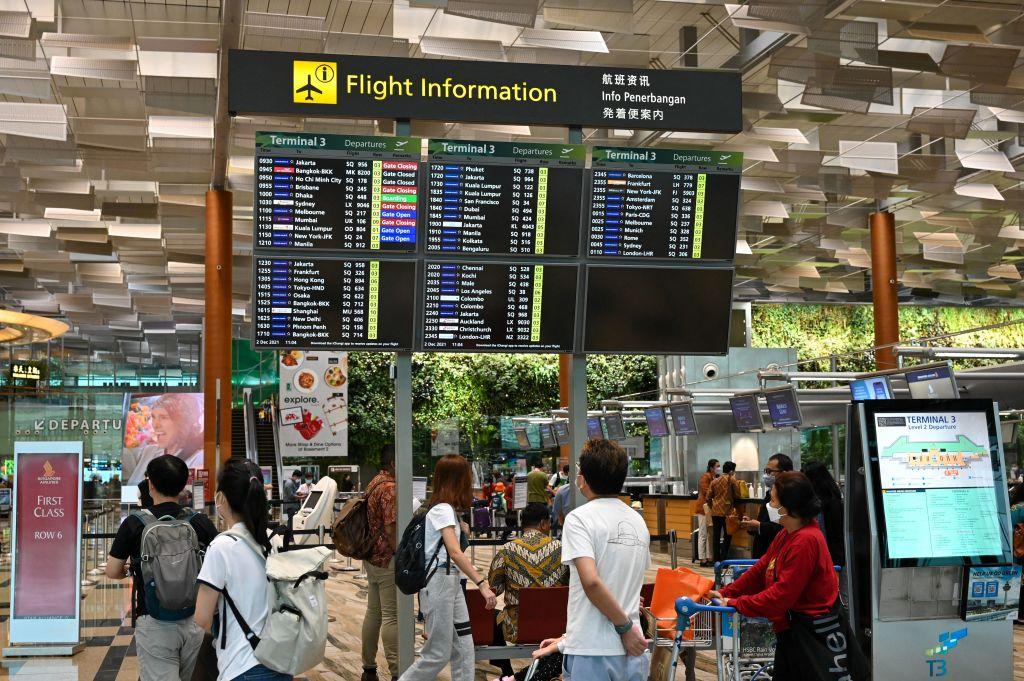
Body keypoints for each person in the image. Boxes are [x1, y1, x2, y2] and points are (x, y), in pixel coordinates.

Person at [711, 472, 844, 680]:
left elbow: (781, 596)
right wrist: (725, 591)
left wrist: (735, 602)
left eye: (773, 500)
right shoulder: (787, 533)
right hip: (791, 631)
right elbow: (761, 568)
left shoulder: (805, 541)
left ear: (788, 507)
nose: (768, 505)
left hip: (810, 635)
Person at [106, 455, 217, 681]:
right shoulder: (199, 522)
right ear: (183, 485)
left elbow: (112, 570)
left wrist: (129, 569)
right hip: (194, 619)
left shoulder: (134, 524)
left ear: (150, 484)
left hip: (153, 619)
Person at [399, 454, 497, 681]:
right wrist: (481, 584)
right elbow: (454, 552)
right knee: (437, 654)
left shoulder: (447, 510)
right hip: (440, 581)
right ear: (458, 480)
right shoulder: (442, 509)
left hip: (449, 581)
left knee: (463, 647)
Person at [559, 439, 651, 681]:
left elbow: (591, 582)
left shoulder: (579, 519)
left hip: (593, 649)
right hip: (634, 650)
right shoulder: (637, 520)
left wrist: (624, 629)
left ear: (583, 479)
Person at [194, 458, 287, 681]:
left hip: (241, 666)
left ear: (221, 498)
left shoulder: (221, 547)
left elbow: (202, 618)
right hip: (280, 662)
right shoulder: (271, 542)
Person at [488, 502, 569, 680]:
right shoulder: (563, 550)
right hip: (558, 627)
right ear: (543, 524)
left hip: (517, 628)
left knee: (492, 616)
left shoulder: (507, 551)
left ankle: (506, 671)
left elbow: (494, 588)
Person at [362, 445, 398, 681]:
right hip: (387, 558)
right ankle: (398, 672)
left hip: (371, 556)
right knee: (392, 616)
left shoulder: (373, 483)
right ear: (395, 462)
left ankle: (369, 668)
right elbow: (391, 526)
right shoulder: (390, 489)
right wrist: (400, 552)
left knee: (373, 612)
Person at [122, 394, 205, 485]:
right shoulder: (149, 451)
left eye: (163, 417)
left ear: (182, 423)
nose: (155, 425)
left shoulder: (199, 459)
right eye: (153, 417)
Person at [741, 453, 794, 559]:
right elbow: (767, 522)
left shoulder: (790, 497)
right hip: (762, 553)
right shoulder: (769, 494)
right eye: (765, 471)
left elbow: (782, 528)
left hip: (776, 555)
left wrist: (759, 526)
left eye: (770, 472)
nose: (766, 475)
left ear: (784, 473)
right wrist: (753, 525)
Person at [802, 462, 845, 569]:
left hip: (831, 560)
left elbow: (836, 536)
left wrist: (836, 565)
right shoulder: (815, 502)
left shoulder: (832, 503)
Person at [707, 461, 741, 563]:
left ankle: (716, 560)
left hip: (715, 512)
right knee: (727, 536)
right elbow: (738, 495)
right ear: (731, 471)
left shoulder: (715, 481)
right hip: (727, 512)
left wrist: (712, 506)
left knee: (716, 536)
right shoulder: (732, 480)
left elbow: (708, 496)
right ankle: (724, 559)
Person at [695, 459, 719, 568]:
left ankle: (710, 557)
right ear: (711, 467)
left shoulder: (715, 477)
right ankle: (702, 558)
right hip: (703, 509)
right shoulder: (705, 477)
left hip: (710, 509)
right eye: (717, 466)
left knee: (710, 534)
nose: (719, 468)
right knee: (703, 534)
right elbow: (706, 491)